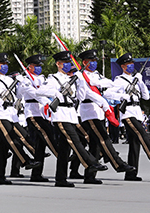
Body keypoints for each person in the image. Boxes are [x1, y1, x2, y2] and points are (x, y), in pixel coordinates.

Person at [35, 51, 108, 187]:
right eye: (65, 63)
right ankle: (91, 163)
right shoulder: (53, 79)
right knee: (75, 140)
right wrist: (55, 93)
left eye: (69, 63)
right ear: (58, 64)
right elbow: (39, 91)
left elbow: (79, 98)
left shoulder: (72, 79)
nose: (68, 65)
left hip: (71, 114)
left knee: (64, 149)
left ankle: (61, 179)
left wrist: (80, 83)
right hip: (60, 115)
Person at [103, 53, 150, 181]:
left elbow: (146, 96)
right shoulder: (119, 80)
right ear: (123, 66)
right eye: (128, 64)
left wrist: (140, 82)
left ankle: (131, 174)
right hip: (128, 113)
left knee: (135, 144)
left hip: (137, 112)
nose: (131, 66)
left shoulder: (136, 79)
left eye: (132, 64)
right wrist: (122, 97)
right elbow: (107, 93)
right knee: (143, 134)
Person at [0, 53, 40, 185]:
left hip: (12, 115)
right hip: (0, 115)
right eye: (2, 64)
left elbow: (18, 95)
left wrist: (23, 84)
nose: (5, 66)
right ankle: (25, 160)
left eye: (6, 64)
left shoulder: (10, 80)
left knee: (5, 147)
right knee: (11, 139)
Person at [77, 49, 136, 184]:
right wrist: (100, 99)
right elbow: (84, 95)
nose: (94, 63)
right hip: (89, 111)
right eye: (91, 61)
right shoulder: (81, 76)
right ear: (84, 63)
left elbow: (110, 84)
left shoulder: (97, 75)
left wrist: (98, 84)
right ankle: (118, 164)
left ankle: (90, 176)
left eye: (95, 61)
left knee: (95, 145)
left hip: (99, 112)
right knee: (104, 138)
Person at [18, 54, 58, 182]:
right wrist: (47, 100)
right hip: (33, 112)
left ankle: (36, 174)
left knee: (40, 145)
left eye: (40, 66)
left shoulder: (42, 79)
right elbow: (33, 94)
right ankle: (60, 153)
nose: (38, 68)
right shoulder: (26, 80)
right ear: (29, 67)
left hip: (43, 112)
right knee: (48, 134)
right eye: (36, 66)